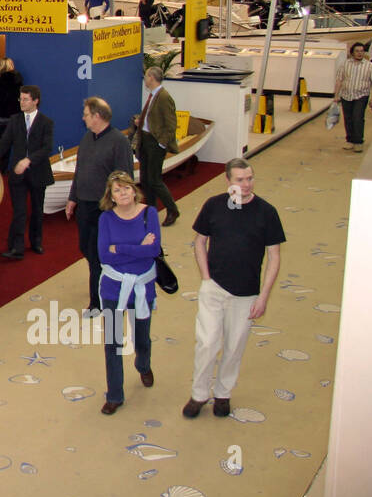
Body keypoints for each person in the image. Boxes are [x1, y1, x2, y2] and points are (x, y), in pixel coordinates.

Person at [184, 158, 285, 418]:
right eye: (240, 180)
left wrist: (264, 296)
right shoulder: (213, 205)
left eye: (250, 178)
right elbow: (199, 242)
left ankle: (223, 394)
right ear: (228, 180)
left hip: (247, 293)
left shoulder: (267, 212)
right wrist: (206, 278)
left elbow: (274, 257)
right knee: (207, 343)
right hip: (214, 288)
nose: (246, 184)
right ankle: (199, 394)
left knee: (234, 347)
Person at [96, 171, 160, 415]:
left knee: (142, 338)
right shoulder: (106, 219)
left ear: (134, 190)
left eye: (126, 188)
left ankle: (143, 365)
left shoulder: (149, 214)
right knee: (112, 342)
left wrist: (119, 249)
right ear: (111, 196)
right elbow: (104, 255)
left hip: (142, 288)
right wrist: (137, 248)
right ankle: (115, 395)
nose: (122, 193)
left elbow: (153, 250)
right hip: (113, 288)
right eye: (117, 190)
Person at [65, 97, 134, 318]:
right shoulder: (87, 138)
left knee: (96, 255)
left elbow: (125, 178)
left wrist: (120, 208)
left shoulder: (119, 142)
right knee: (85, 248)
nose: (83, 118)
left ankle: (97, 303)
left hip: (105, 209)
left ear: (97, 116)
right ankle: (109, 281)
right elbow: (80, 171)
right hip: (84, 205)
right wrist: (72, 198)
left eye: (86, 114)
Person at [0, 84, 54, 260]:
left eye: (26, 99)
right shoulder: (14, 120)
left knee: (37, 210)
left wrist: (29, 160)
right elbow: (5, 140)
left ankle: (36, 242)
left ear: (36, 101)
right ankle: (16, 247)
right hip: (17, 174)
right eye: (20, 99)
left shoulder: (46, 123)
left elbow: (46, 148)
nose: (21, 102)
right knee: (19, 212)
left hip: (38, 173)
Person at [132, 66, 181, 226]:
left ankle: (172, 209)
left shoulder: (164, 97)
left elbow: (171, 124)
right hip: (146, 141)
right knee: (146, 180)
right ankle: (151, 211)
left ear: (152, 78)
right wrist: (141, 122)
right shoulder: (153, 95)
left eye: (146, 76)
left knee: (154, 180)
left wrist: (161, 144)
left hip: (155, 144)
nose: (145, 79)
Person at [333, 41, 372, 153]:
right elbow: (339, 80)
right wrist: (336, 95)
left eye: (362, 51)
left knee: (358, 117)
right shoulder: (345, 64)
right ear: (352, 53)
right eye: (357, 51)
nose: (359, 53)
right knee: (348, 118)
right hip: (346, 95)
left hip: (361, 95)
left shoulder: (370, 66)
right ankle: (350, 140)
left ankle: (358, 142)